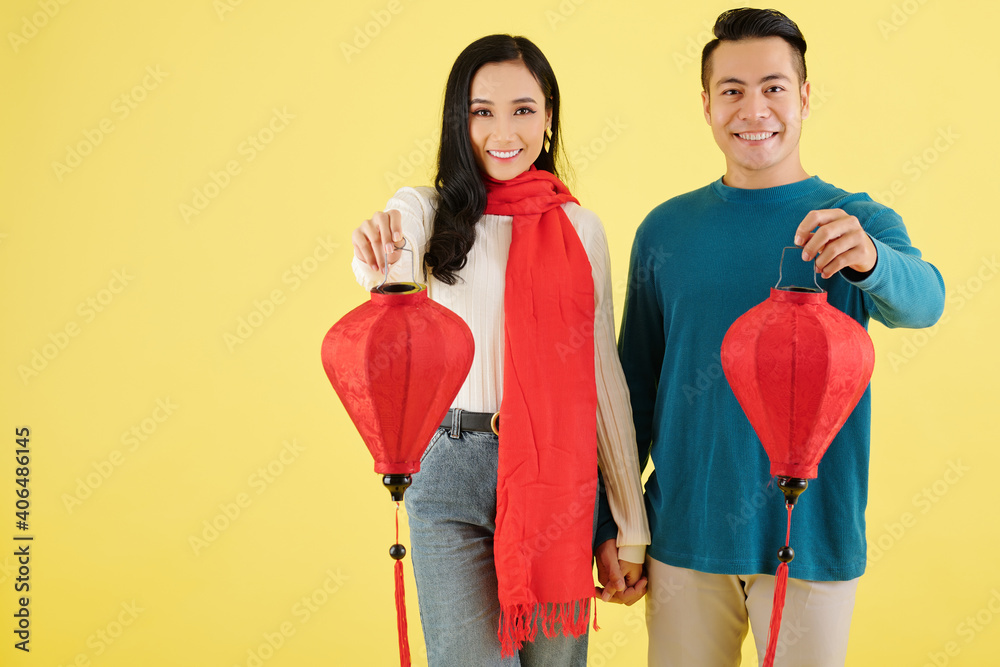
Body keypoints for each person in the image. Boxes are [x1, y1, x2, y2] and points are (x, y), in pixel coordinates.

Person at [611, 8, 946, 666]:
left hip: (813, 536)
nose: (753, 108)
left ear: (805, 97)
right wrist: (612, 523)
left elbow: (926, 302)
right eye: (732, 90)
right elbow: (633, 393)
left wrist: (873, 260)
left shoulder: (854, 221)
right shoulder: (665, 230)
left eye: (774, 86)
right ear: (706, 105)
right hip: (682, 534)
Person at [350, 34, 650, 667]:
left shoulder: (580, 229)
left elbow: (602, 380)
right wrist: (377, 252)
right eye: (481, 111)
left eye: (523, 108)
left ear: (548, 119)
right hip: (451, 468)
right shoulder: (430, 213)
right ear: (459, 121)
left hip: (555, 472)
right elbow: (389, 261)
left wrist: (630, 523)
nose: (503, 130)